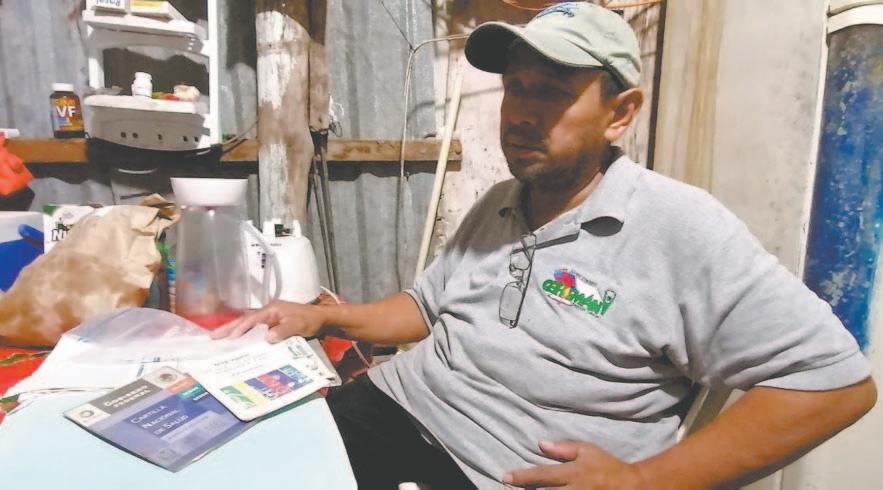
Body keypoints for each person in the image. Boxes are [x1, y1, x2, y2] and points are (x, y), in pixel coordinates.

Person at [213, 2, 877, 488]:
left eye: (553, 93)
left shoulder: (679, 228)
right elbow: (424, 306)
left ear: (620, 113)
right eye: (515, 88)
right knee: (225, 460)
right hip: (390, 404)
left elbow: (833, 386)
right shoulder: (504, 199)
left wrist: (642, 481)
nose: (521, 115)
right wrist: (321, 317)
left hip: (488, 468)